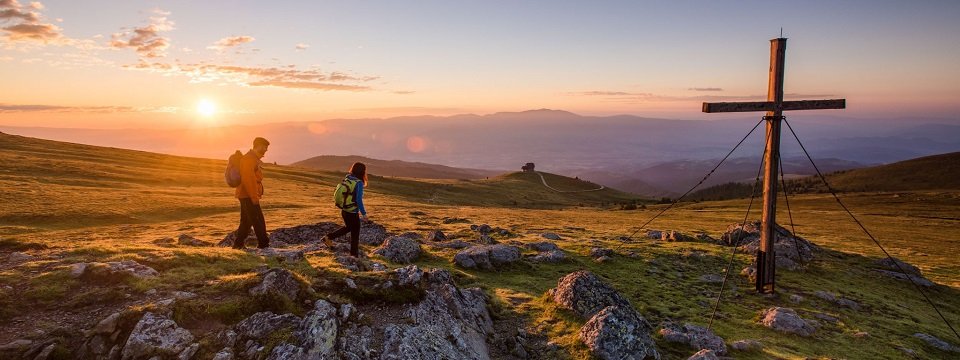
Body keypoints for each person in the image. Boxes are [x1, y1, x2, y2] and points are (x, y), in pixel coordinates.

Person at [323, 162, 368, 257]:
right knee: (355, 234)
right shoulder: (358, 183)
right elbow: (358, 200)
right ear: (362, 172)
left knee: (348, 228)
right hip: (352, 212)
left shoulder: (347, 178)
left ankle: (328, 237)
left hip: (344, 210)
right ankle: (354, 256)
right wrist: (364, 214)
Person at [233, 137, 270, 249]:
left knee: (246, 221)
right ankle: (264, 245)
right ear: (257, 146)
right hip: (248, 195)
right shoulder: (249, 159)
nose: (266, 150)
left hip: (246, 195)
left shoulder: (253, 158)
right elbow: (249, 180)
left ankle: (238, 244)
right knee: (258, 219)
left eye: (266, 147)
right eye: (264, 147)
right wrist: (254, 197)